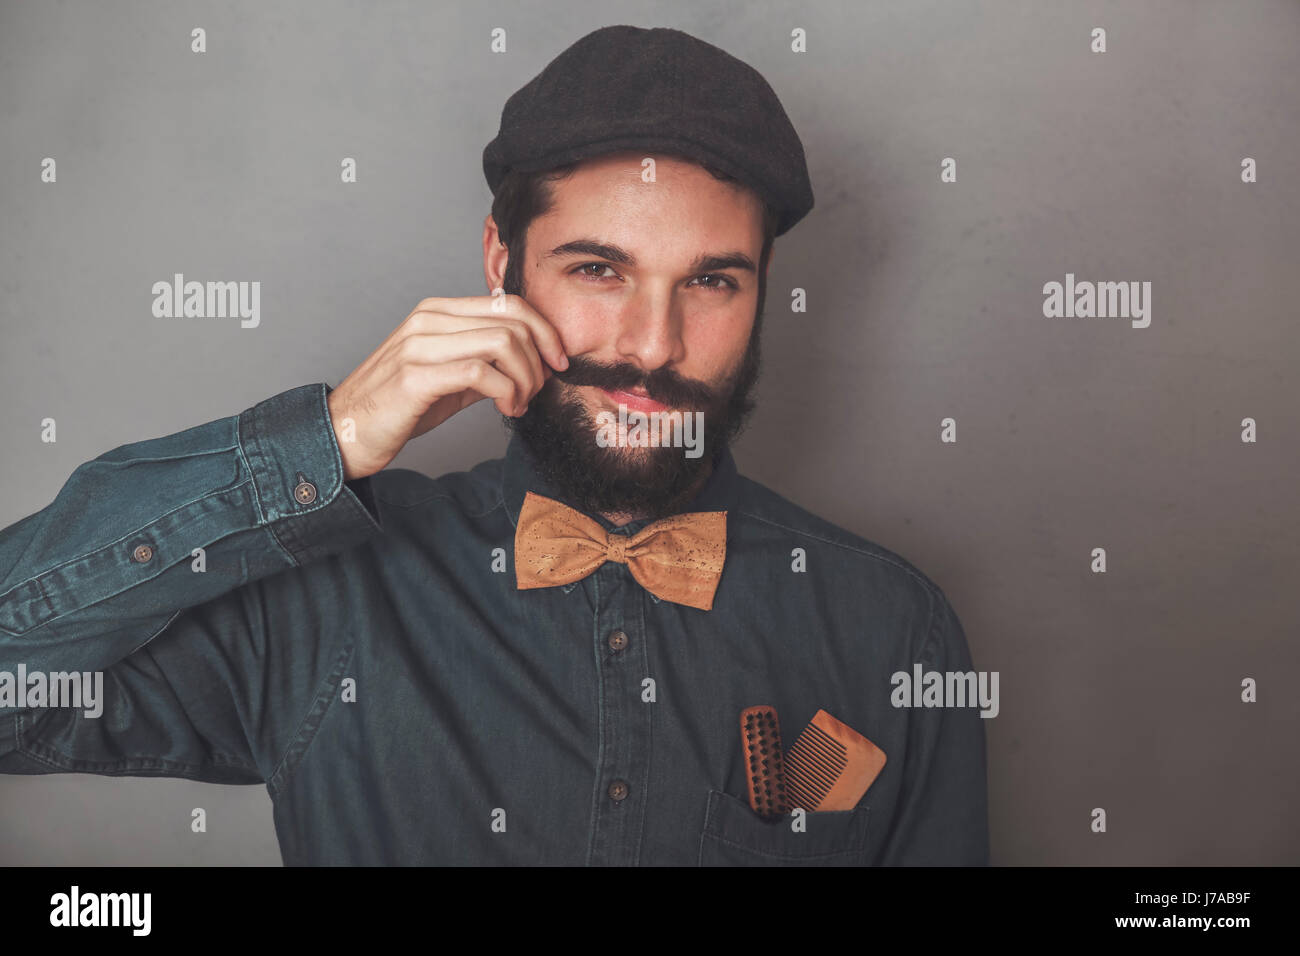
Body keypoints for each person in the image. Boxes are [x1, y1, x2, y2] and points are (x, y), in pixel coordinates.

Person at [0, 25, 988, 865]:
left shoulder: (890, 623)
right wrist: (327, 438)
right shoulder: (322, 595)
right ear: (499, 265)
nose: (652, 343)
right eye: (599, 268)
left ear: (765, 286)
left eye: (711, 280)